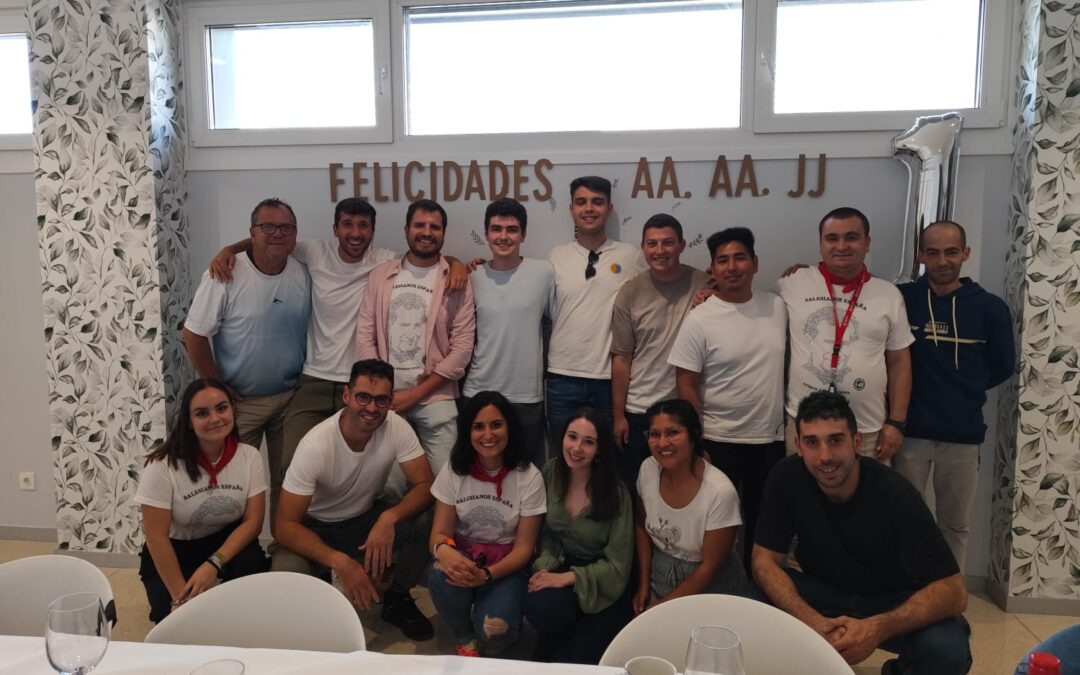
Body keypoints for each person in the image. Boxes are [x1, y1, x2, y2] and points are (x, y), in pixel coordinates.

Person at [206, 199, 469, 485]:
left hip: (366, 388)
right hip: (315, 380)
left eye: (363, 226)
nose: (355, 233)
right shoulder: (316, 252)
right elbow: (275, 238)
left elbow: (427, 254)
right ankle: (292, 529)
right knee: (295, 469)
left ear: (373, 231)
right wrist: (229, 250)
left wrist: (455, 264)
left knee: (375, 475)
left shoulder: (385, 262)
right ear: (335, 228)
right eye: (347, 225)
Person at [752, 391, 971, 674]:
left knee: (948, 650)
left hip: (889, 600)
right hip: (822, 594)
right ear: (799, 446)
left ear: (856, 442)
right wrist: (812, 622)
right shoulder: (786, 477)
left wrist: (877, 627)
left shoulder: (895, 493)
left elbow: (955, 592)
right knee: (749, 603)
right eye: (812, 443)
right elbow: (763, 561)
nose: (825, 456)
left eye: (835, 440)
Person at [271, 359, 436, 641]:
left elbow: (425, 484)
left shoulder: (396, 426)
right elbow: (284, 526)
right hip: (315, 526)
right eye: (363, 397)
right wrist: (342, 562)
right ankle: (319, 597)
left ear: (390, 401)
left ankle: (397, 598)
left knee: (427, 516)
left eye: (381, 400)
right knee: (286, 575)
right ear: (346, 395)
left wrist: (389, 517)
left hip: (363, 519)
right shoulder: (315, 445)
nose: (372, 408)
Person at [895, 220, 1015, 568]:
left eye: (950, 252)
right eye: (932, 252)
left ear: (965, 253)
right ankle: (909, 593)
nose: (942, 260)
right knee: (906, 523)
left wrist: (964, 391)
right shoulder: (903, 298)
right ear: (921, 256)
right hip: (909, 434)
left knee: (954, 525)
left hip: (963, 436)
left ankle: (949, 601)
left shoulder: (990, 308)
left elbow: (1002, 366)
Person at [182, 198, 311, 515]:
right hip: (241, 404)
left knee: (290, 482)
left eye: (286, 227)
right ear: (252, 233)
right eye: (267, 226)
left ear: (295, 235)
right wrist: (217, 386)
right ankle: (235, 557)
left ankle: (284, 551)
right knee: (233, 482)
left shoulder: (304, 272)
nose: (277, 234)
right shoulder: (224, 273)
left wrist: (231, 245)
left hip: (290, 399)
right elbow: (193, 335)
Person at [668, 227, 786, 571]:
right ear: (712, 269)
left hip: (770, 439)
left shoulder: (777, 306)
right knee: (715, 527)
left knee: (764, 526)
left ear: (755, 263)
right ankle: (716, 592)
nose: (732, 266)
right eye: (723, 260)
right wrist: (697, 439)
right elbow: (686, 385)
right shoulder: (699, 319)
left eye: (739, 258)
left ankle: (757, 590)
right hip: (719, 442)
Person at [357, 199, 475, 493]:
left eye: (434, 227)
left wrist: (415, 396)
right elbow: (365, 335)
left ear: (444, 233)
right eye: (419, 225)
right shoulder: (381, 275)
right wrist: (381, 392)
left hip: (436, 401)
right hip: (386, 402)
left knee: (447, 487)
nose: (426, 232)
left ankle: (438, 540)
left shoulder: (456, 280)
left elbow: (461, 350)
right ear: (406, 229)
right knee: (389, 489)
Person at [778, 206, 914, 461]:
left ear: (867, 242)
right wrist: (710, 293)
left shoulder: (889, 294)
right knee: (802, 497)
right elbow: (748, 301)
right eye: (832, 238)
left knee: (868, 500)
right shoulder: (792, 283)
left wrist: (897, 423)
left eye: (851, 237)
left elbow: (900, 363)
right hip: (804, 425)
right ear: (820, 244)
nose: (841, 246)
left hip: (868, 430)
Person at [136, 378, 270, 623]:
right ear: (188, 421)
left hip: (226, 545)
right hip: (176, 549)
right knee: (176, 621)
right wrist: (180, 599)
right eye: (202, 413)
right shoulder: (161, 466)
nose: (215, 418)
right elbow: (156, 537)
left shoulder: (249, 457)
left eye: (222, 408)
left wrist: (213, 564)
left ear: (232, 410)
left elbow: (253, 523)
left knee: (250, 606)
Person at [428, 391, 546, 657]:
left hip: (507, 564)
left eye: (496, 424)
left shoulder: (529, 476)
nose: (488, 435)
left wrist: (486, 576)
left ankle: (487, 630)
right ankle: (465, 638)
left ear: (510, 427)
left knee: (496, 629)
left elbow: (525, 548)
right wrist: (444, 552)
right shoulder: (454, 468)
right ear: (467, 432)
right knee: (439, 572)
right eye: (478, 427)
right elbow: (440, 533)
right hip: (465, 554)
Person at [525, 408, 634, 664]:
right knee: (541, 607)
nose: (576, 448)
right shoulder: (550, 473)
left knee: (576, 663)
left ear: (600, 449)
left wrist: (567, 578)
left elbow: (619, 564)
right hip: (560, 559)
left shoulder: (617, 493)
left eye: (588, 442)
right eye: (572, 437)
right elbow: (544, 533)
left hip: (603, 577)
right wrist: (545, 568)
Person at [546, 176, 646, 451]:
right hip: (562, 377)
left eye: (597, 202)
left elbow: (659, 289)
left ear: (609, 208)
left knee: (609, 462)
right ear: (571, 209)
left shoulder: (630, 256)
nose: (589, 208)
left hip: (609, 380)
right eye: (581, 202)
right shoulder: (555, 257)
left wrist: (704, 288)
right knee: (563, 459)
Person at [611, 214, 708, 488]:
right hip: (639, 410)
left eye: (667, 243)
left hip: (685, 410)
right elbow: (621, 357)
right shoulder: (629, 292)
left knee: (685, 487)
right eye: (652, 244)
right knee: (635, 489)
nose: (660, 251)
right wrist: (618, 415)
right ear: (643, 248)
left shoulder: (703, 284)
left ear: (682, 244)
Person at [464, 198, 555, 467]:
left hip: (526, 393)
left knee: (527, 472)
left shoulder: (544, 273)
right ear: (486, 233)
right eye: (496, 229)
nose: (504, 236)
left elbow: (558, 323)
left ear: (523, 234)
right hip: (478, 390)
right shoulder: (472, 276)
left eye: (512, 229)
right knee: (479, 471)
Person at [633, 399, 746, 616]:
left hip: (712, 586)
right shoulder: (647, 469)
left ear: (694, 435)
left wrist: (662, 608)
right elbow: (640, 524)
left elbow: (710, 569)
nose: (662, 443)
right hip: (660, 570)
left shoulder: (720, 492)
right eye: (654, 434)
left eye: (673, 433)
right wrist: (644, 583)